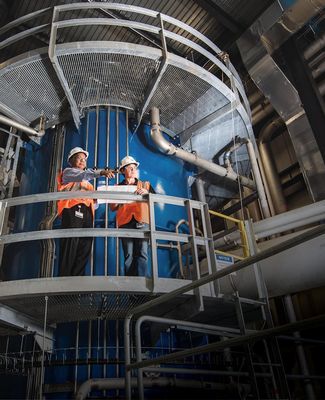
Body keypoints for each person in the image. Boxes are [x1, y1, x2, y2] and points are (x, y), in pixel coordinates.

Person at [57, 146, 115, 276]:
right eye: (79, 158)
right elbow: (83, 174)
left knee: (84, 248)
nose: (83, 161)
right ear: (71, 161)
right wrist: (101, 172)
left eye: (84, 159)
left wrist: (97, 200)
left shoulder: (87, 183)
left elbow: (92, 203)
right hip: (72, 210)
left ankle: (75, 287)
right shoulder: (69, 173)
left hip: (88, 214)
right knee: (70, 248)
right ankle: (63, 287)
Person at [111, 156, 155, 276]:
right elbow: (112, 207)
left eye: (134, 168)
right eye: (129, 168)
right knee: (128, 255)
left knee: (142, 253)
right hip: (125, 223)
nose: (133, 170)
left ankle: (142, 290)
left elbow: (155, 200)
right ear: (122, 171)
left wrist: (148, 193)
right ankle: (131, 287)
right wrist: (118, 198)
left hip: (142, 221)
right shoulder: (116, 188)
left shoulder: (145, 185)